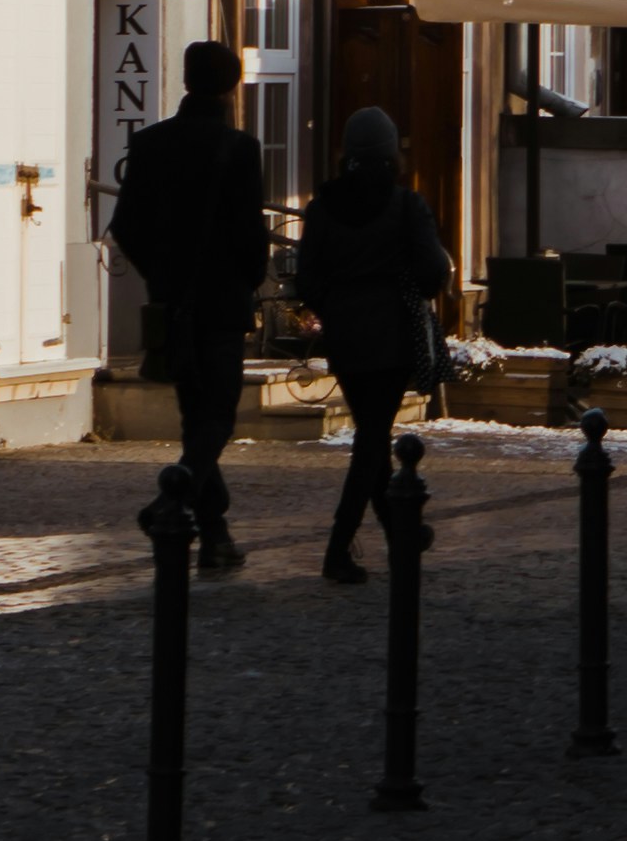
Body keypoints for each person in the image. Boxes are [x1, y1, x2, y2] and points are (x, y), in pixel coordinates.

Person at [108, 38, 269, 568]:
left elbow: (126, 224)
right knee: (217, 416)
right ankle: (171, 502)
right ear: (231, 85)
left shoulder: (151, 143)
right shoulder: (239, 149)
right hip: (222, 304)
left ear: (185, 80)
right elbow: (251, 235)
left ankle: (215, 534)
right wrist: (248, 281)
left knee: (194, 413)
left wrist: (162, 274)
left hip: (171, 301)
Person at [290, 104, 450, 588]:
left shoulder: (322, 208)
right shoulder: (405, 206)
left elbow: (307, 280)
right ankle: (338, 549)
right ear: (389, 154)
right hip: (392, 337)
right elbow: (432, 273)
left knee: (372, 435)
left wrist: (337, 304)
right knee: (370, 441)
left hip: (346, 339)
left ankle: (401, 533)